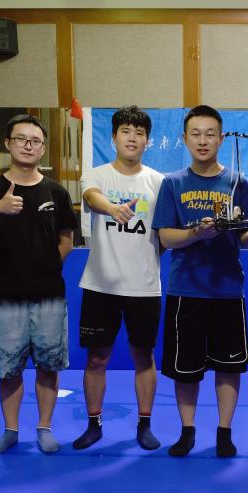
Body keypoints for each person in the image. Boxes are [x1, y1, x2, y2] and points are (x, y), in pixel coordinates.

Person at [151, 105, 248, 458]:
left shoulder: (238, 183)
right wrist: (196, 233)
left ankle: (224, 432)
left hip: (227, 290)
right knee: (185, 370)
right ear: (185, 139)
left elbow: (245, 239)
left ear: (220, 138)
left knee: (229, 367)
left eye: (210, 134)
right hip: (185, 289)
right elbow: (166, 237)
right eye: (196, 134)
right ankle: (187, 432)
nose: (203, 140)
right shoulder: (173, 183)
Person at [0, 113, 78, 455]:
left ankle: (44, 427)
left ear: (43, 148)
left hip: (49, 296)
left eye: (35, 140)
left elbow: (67, 240)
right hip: (5, 295)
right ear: (8, 144)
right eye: (21, 139)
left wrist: (47, 269)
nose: (28, 145)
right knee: (8, 368)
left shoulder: (56, 191)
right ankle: (10, 430)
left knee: (49, 365)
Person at [73, 106, 164, 452]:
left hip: (144, 287)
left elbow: (164, 234)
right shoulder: (96, 176)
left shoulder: (158, 182)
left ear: (147, 141)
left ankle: (145, 423)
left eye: (139, 133)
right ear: (113, 137)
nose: (132, 138)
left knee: (144, 357)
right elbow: (91, 197)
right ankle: (94, 423)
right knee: (97, 358)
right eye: (126, 131)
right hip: (101, 285)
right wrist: (112, 208)